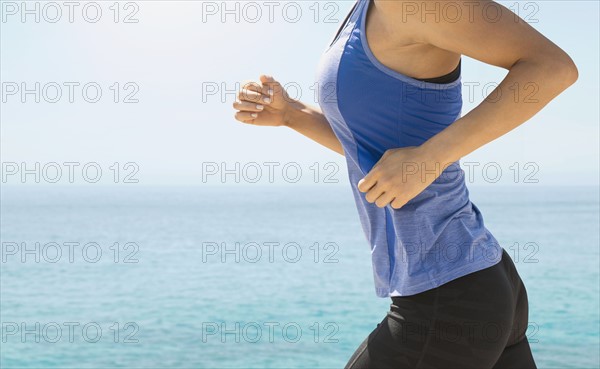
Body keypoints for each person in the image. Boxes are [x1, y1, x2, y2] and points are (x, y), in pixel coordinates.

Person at [232, 0, 578, 367]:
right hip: (476, 280)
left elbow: (552, 68)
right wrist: (292, 115)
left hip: (449, 297)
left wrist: (430, 158)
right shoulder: (365, 12)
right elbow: (374, 150)